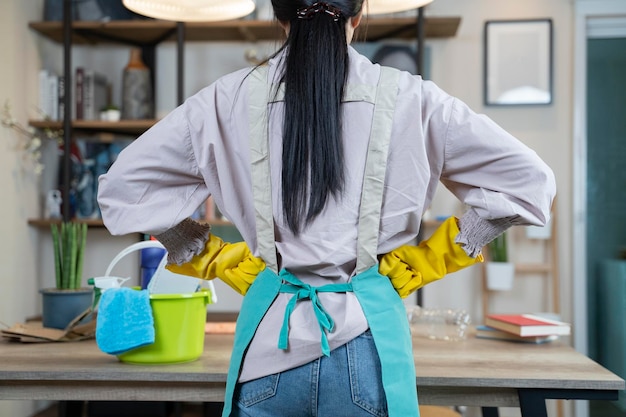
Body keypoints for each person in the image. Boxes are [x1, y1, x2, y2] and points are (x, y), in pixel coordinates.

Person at [97, 1, 556, 416]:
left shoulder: (224, 99)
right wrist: (433, 258)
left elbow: (124, 188)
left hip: (266, 348)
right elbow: (529, 182)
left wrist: (211, 255)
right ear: (358, 15)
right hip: (368, 345)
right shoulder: (414, 99)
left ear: (279, 17)